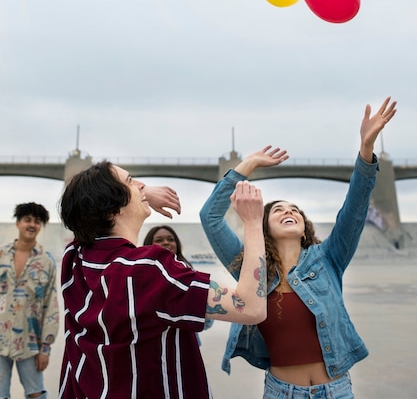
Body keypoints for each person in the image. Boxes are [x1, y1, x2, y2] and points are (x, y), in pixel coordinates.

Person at [200, 97, 397, 399]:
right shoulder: (250, 266)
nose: (288, 211)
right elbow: (210, 217)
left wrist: (366, 150)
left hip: (337, 391)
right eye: (278, 209)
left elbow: (355, 209)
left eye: (295, 209)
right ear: (263, 225)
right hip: (281, 392)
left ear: (305, 226)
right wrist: (246, 165)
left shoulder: (329, 258)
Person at [58, 161, 267, 398]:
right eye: (131, 181)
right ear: (111, 208)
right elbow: (251, 307)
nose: (142, 185)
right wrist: (253, 222)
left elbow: (84, 207)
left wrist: (136, 195)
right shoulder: (147, 269)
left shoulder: (74, 259)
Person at [0, 202, 59, 399]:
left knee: (36, 394)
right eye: (27, 220)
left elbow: (51, 307)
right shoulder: (0, 255)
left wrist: (45, 349)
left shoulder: (46, 262)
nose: (32, 225)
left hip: (30, 343)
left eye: (37, 221)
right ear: (18, 223)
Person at [143, 225, 215, 340]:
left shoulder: (189, 273)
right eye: (159, 240)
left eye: (171, 239)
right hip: (154, 342)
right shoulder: (142, 276)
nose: (166, 243)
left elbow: (206, 321)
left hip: (185, 341)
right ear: (148, 245)